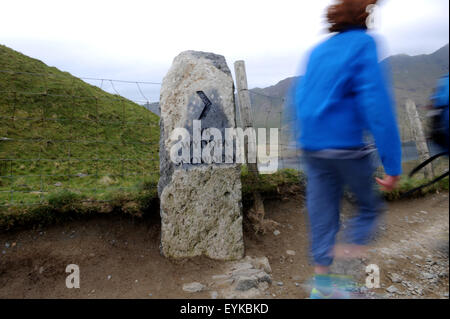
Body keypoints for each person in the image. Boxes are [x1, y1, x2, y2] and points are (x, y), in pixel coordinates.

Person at [293, 0, 402, 298]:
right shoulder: (365, 44)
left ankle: (321, 286)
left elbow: (300, 98)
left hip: (312, 147)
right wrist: (392, 166)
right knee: (369, 208)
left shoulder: (316, 51)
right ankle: (349, 273)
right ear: (363, 14)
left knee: (322, 213)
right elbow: (377, 106)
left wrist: (306, 141)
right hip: (347, 148)